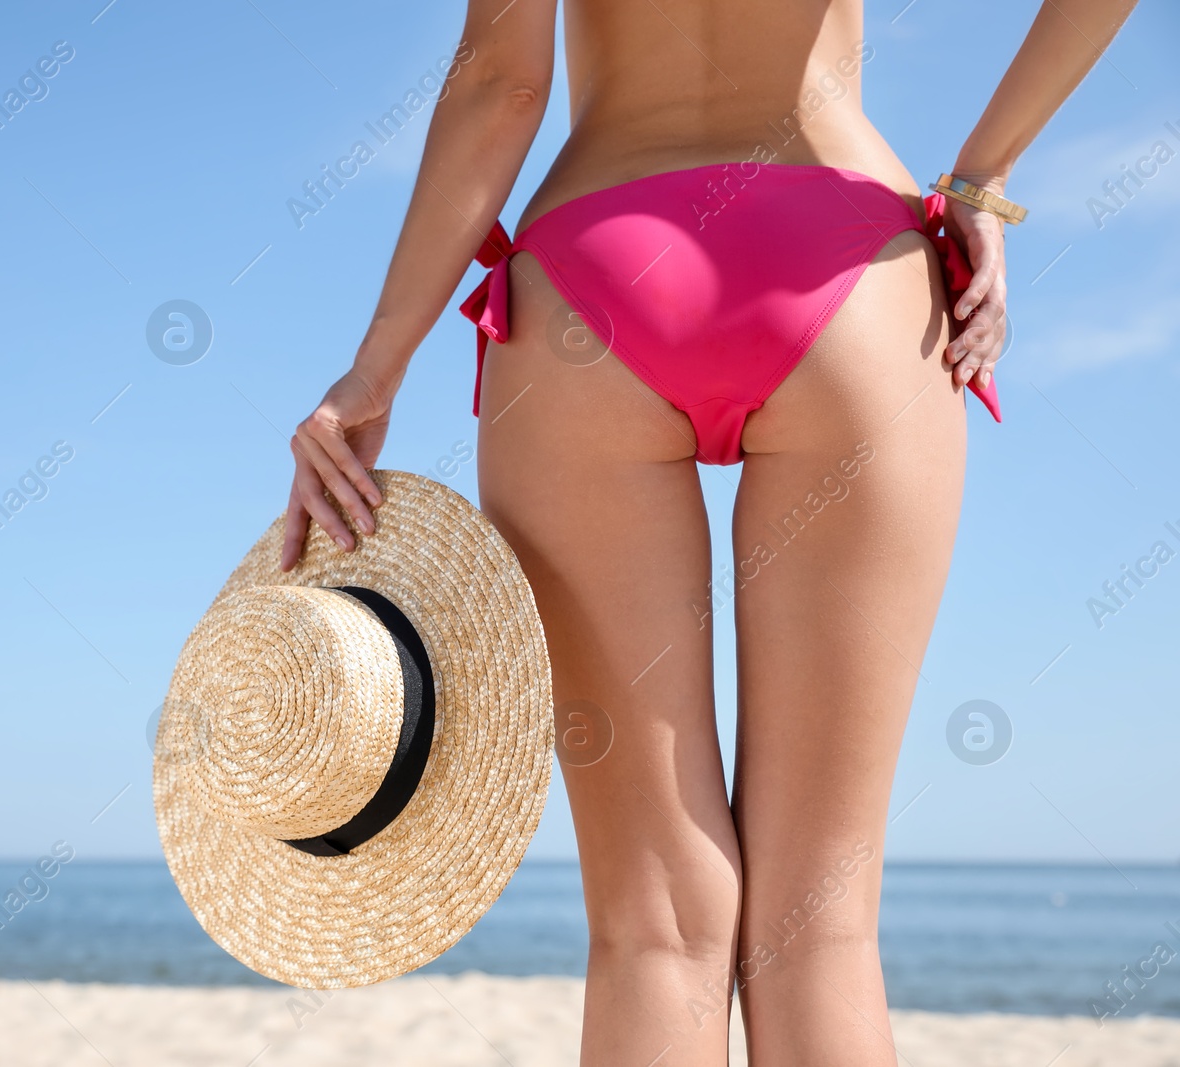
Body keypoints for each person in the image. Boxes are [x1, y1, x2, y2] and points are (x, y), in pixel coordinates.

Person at [277, 1, 1138, 1062]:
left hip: (593, 285)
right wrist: (980, 180)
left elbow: (502, 84)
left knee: (654, 925)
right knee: (817, 924)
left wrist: (377, 366)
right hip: (846, 268)